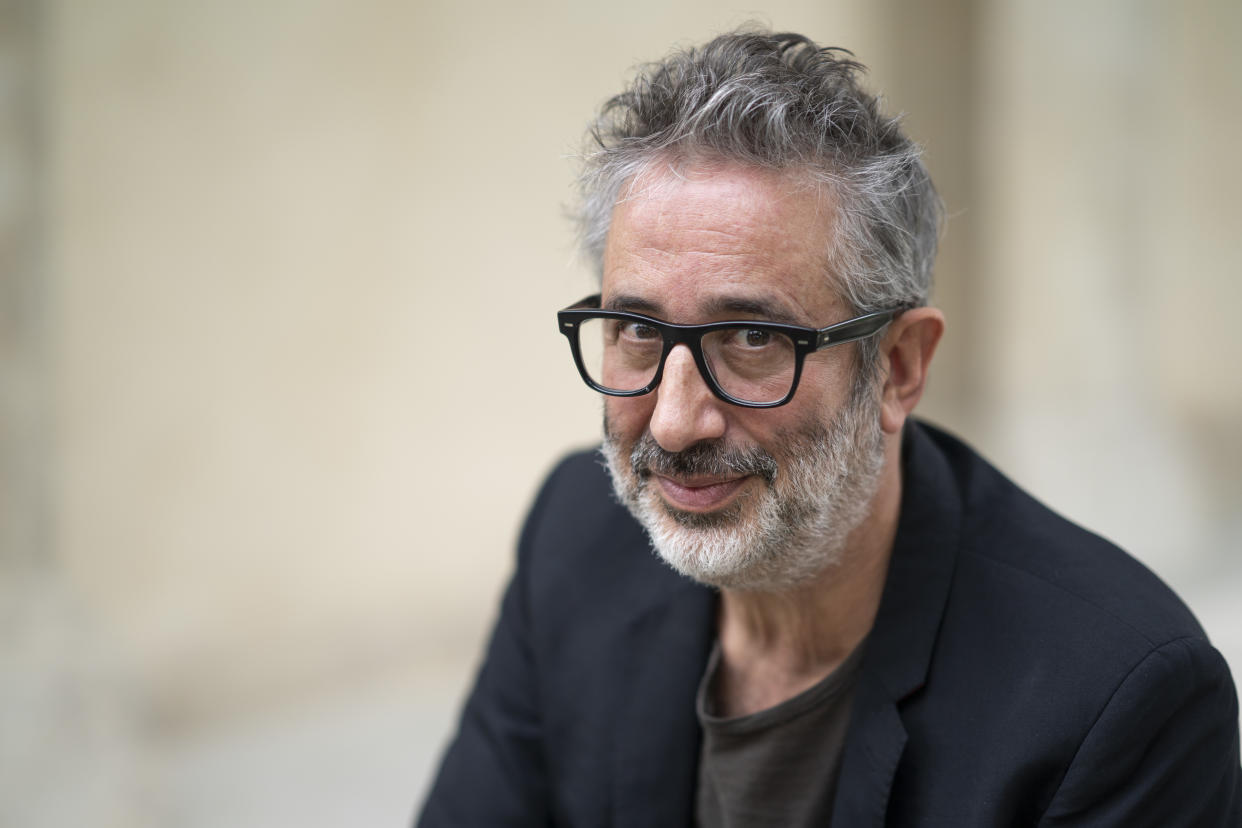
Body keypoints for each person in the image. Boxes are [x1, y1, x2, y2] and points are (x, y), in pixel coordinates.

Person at [417, 28, 1241, 827]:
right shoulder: (575, 540)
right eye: (636, 329)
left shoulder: (1116, 701)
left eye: (751, 338)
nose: (673, 423)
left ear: (900, 365)